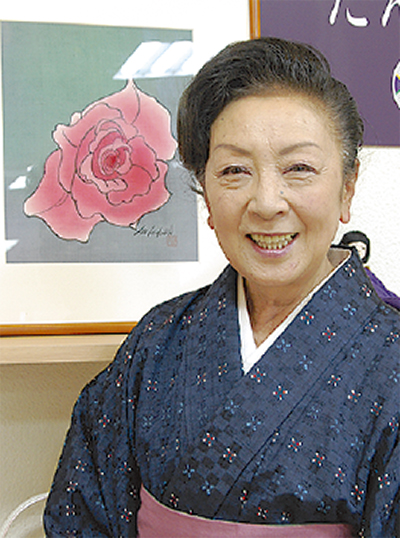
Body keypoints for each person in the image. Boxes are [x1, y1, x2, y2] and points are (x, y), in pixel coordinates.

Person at [44, 38, 399, 537]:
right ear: (206, 195)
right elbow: (81, 514)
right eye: (235, 171)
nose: (267, 202)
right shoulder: (157, 342)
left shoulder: (392, 360)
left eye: (299, 168)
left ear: (347, 187)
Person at [339, 230, 400, 310]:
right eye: (354, 246)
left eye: (363, 248)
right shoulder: (348, 271)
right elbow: (377, 296)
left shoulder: (366, 272)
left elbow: (384, 290)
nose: (359, 250)